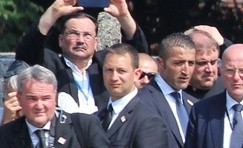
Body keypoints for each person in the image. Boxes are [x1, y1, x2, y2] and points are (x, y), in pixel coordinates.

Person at [15, 0, 148, 114]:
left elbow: (138, 53)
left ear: (96, 42)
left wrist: (124, 16)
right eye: (74, 34)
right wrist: (53, 13)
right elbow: (27, 53)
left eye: (87, 35)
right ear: (61, 40)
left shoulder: (104, 64)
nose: (81, 40)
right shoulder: (52, 64)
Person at [185, 28, 223, 100]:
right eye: (202, 63)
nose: (210, 69)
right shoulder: (175, 93)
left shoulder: (229, 90)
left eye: (213, 62)